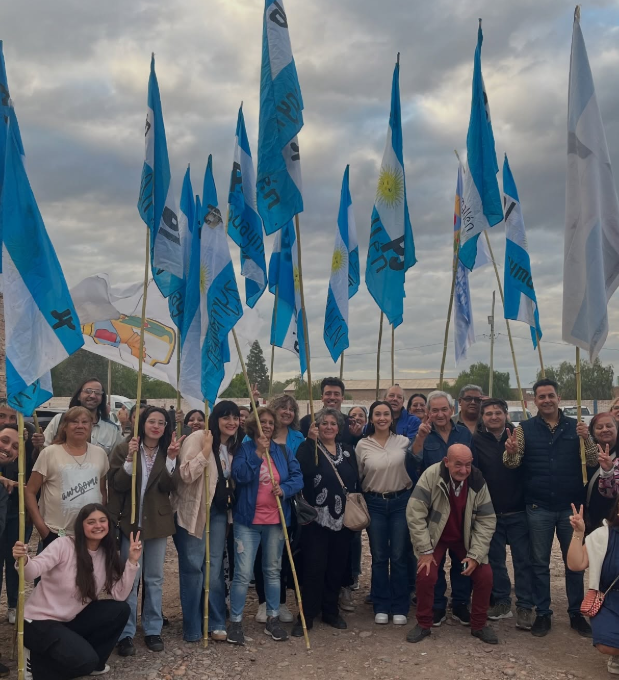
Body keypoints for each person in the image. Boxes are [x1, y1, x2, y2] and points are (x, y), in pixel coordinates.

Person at [504, 377, 598, 637]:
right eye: (541, 396)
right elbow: (512, 463)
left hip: (571, 507)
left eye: (550, 395)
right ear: (534, 400)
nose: (546, 400)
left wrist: (587, 438)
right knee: (539, 562)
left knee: (574, 563)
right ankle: (543, 613)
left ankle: (576, 613)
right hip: (539, 506)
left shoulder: (576, 427)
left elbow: (592, 461)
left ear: (559, 398)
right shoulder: (523, 429)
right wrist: (510, 452)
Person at [13, 504, 140, 680]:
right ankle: (35, 664)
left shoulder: (106, 554)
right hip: (38, 621)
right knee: (84, 662)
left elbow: (120, 595)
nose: (98, 525)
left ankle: (94, 663)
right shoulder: (63, 545)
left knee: (120, 610)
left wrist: (132, 562)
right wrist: (24, 559)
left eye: (102, 521)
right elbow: (31, 572)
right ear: (81, 526)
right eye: (91, 522)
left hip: (68, 620)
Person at [108, 406, 183, 656]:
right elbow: (117, 484)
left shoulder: (168, 450)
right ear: (142, 423)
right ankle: (125, 632)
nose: (156, 426)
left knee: (154, 578)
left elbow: (168, 487)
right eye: (152, 421)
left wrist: (171, 459)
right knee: (130, 578)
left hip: (157, 522)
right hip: (130, 523)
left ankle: (152, 628)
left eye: (161, 422)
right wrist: (130, 460)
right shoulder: (125, 448)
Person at [406, 444, 497, 645]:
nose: (463, 470)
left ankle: (479, 624)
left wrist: (475, 555)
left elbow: (487, 520)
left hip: (464, 537)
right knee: (426, 574)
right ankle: (423, 623)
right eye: (458, 464)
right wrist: (425, 550)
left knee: (485, 575)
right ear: (446, 462)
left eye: (468, 465)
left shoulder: (477, 480)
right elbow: (415, 513)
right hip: (435, 536)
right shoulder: (431, 476)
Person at [227, 407, 303, 645]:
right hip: (247, 522)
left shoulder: (283, 450)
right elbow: (240, 476)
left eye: (271, 422)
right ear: (254, 426)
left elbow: (297, 477)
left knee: (272, 571)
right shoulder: (245, 449)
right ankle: (235, 622)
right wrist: (259, 453)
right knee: (242, 574)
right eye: (263, 422)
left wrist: (285, 489)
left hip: (276, 521)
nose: (267, 426)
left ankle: (273, 618)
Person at [175, 401, 241, 643]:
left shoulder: (233, 445)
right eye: (226, 417)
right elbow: (185, 474)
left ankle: (215, 621)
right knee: (193, 567)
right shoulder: (199, 438)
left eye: (235, 417)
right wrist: (205, 451)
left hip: (219, 512)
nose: (231, 422)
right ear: (216, 419)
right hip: (194, 509)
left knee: (213, 568)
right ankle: (193, 625)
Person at [292, 408, 359, 635]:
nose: (328, 427)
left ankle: (330, 610)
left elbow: (355, 479)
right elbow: (304, 471)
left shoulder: (347, 450)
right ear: (317, 427)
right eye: (324, 423)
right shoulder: (308, 448)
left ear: (339, 428)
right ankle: (307, 614)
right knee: (314, 567)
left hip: (343, 519)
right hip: (316, 519)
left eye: (333, 423)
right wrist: (310, 442)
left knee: (336, 566)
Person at [410, 390, 473, 626]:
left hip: (460, 503)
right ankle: (437, 605)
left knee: (461, 558)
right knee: (433, 558)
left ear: (452, 410)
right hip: (434, 505)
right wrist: (420, 439)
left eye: (444, 409)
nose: (439, 414)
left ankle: (460, 603)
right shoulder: (423, 433)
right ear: (428, 412)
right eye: (434, 410)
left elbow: (472, 466)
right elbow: (412, 463)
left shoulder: (463, 433)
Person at [473, 399, 534, 630]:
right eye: (488, 413)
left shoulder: (520, 436)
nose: (493, 417)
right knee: (496, 561)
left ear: (506, 414)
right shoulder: (476, 440)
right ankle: (501, 601)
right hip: (490, 512)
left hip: (518, 509)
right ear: (482, 417)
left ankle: (525, 605)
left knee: (523, 561)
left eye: (498, 412)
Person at [356, 401, 413, 625]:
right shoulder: (362, 445)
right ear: (371, 418)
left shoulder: (403, 441)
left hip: (401, 502)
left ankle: (400, 605)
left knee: (398, 555)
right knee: (379, 556)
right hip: (375, 503)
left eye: (386, 414)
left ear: (392, 418)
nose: (382, 418)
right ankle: (380, 603)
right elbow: (359, 475)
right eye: (377, 414)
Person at [25, 407, 109, 548]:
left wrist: (99, 522)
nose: (80, 426)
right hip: (57, 533)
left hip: (91, 534)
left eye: (85, 422)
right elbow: (30, 492)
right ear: (64, 426)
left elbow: (102, 491)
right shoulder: (49, 453)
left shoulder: (100, 454)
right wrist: (44, 531)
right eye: (74, 422)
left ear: (91, 426)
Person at [254, 395, 304, 624]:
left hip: (286, 505)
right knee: (260, 556)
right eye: (283, 407)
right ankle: (263, 602)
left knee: (282, 555)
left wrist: (285, 488)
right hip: (259, 508)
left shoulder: (299, 438)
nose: (287, 412)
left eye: (291, 409)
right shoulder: (256, 437)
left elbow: (299, 471)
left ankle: (280, 601)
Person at [567, 500, 619, 676]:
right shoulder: (604, 535)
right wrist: (578, 533)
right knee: (606, 644)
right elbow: (576, 564)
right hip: (610, 599)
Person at [33, 378, 123, 457]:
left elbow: (114, 464)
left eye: (97, 393)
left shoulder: (113, 430)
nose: (92, 396)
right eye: (88, 391)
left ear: (102, 398)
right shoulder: (60, 420)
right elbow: (43, 455)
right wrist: (38, 446)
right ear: (79, 396)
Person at [0, 423, 33, 626]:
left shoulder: (26, 458)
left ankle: (13, 605)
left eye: (15, 446)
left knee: (14, 560)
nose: (8, 448)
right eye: (4, 441)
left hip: (16, 514)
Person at [300, 378, 364, 446]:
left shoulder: (351, 423)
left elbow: (360, 448)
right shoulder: (308, 421)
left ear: (342, 398)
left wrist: (358, 436)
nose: (332, 397)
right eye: (328, 394)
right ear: (322, 397)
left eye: (336, 394)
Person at [347, 406, 368, 591]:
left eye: (361, 415)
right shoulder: (343, 437)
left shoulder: (368, 439)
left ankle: (355, 572)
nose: (357, 418)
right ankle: (348, 574)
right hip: (347, 492)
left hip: (364, 491)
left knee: (358, 534)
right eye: (353, 415)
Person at [587, 413, 618, 532]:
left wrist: (608, 471)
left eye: (609, 426)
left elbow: (613, 492)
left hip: (614, 517)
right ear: (593, 433)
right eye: (599, 427)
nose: (605, 430)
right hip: (589, 515)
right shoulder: (587, 454)